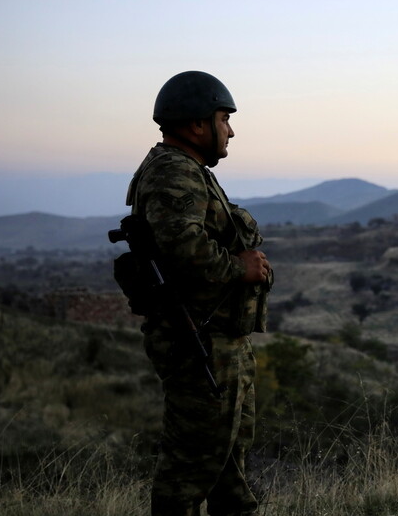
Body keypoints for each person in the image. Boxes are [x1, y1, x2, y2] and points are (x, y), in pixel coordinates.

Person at [126, 71, 272, 516]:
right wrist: (239, 267)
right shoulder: (173, 172)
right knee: (188, 472)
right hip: (200, 343)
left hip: (218, 339)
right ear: (196, 125)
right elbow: (184, 248)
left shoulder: (189, 171)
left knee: (228, 466)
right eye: (224, 118)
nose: (230, 130)